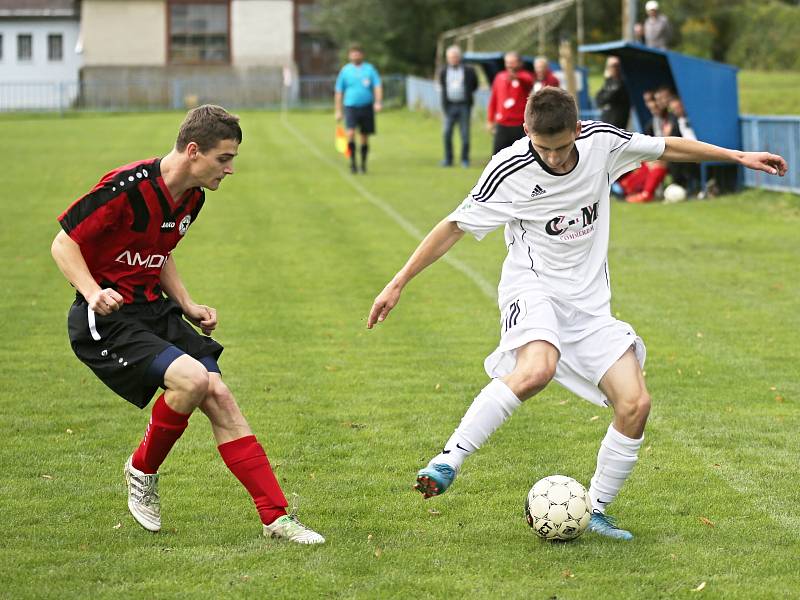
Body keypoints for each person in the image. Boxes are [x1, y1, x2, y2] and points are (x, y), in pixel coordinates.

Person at [367, 87, 786, 540]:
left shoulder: (601, 142)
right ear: (527, 132)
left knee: (635, 404)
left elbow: (668, 147)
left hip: (588, 305)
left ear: (579, 130)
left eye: (563, 147)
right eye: (544, 148)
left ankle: (597, 509)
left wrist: (737, 156)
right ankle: (450, 458)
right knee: (536, 370)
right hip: (533, 288)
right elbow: (452, 227)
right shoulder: (509, 170)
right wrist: (398, 282)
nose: (556, 158)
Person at [51, 105, 325, 545]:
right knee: (193, 379)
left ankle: (276, 518)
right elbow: (64, 242)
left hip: (154, 311)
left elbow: (159, 251)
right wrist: (92, 291)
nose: (230, 169)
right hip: (107, 318)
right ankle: (141, 470)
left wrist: (187, 303)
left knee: (219, 394)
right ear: (194, 151)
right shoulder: (127, 186)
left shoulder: (192, 197)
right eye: (224, 158)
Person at [335, 44, 383, 174]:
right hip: (350, 106)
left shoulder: (369, 69)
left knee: (364, 136)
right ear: (349, 56)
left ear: (362, 55)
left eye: (357, 53)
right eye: (353, 53)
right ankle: (352, 163)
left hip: (366, 106)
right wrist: (338, 110)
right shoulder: (345, 71)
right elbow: (339, 91)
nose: (355, 56)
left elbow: (377, 86)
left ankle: (363, 164)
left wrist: (378, 102)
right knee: (350, 133)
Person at [438, 45, 479, 168]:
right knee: (446, 133)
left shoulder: (468, 70)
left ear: (459, 57)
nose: (453, 59)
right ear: (447, 58)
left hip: (464, 106)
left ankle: (465, 159)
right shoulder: (444, 71)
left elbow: (474, 85)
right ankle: (448, 159)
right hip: (449, 106)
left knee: (465, 134)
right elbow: (442, 86)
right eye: (450, 57)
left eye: (455, 57)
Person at [486, 51, 533, 155]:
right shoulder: (500, 77)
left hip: (520, 124)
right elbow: (493, 99)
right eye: (507, 62)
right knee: (498, 155)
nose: (509, 65)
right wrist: (490, 119)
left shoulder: (526, 76)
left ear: (520, 63)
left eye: (512, 62)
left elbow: (528, 82)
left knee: (522, 155)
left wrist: (517, 77)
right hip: (502, 124)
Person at [594, 56, 630, 129]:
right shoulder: (609, 82)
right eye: (611, 66)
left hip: (617, 121)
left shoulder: (622, 82)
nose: (613, 69)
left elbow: (610, 96)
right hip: (607, 119)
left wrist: (606, 96)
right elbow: (598, 98)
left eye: (616, 66)